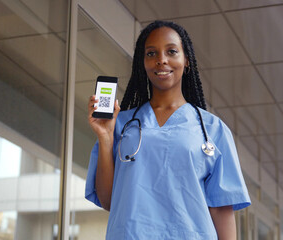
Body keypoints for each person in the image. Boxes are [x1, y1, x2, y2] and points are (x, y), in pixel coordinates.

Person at [86, 20, 251, 239]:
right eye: (151, 53)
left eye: (171, 51)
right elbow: (109, 201)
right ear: (142, 63)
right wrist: (105, 137)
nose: (161, 60)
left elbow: (221, 210)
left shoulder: (212, 129)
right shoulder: (120, 124)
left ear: (186, 61)